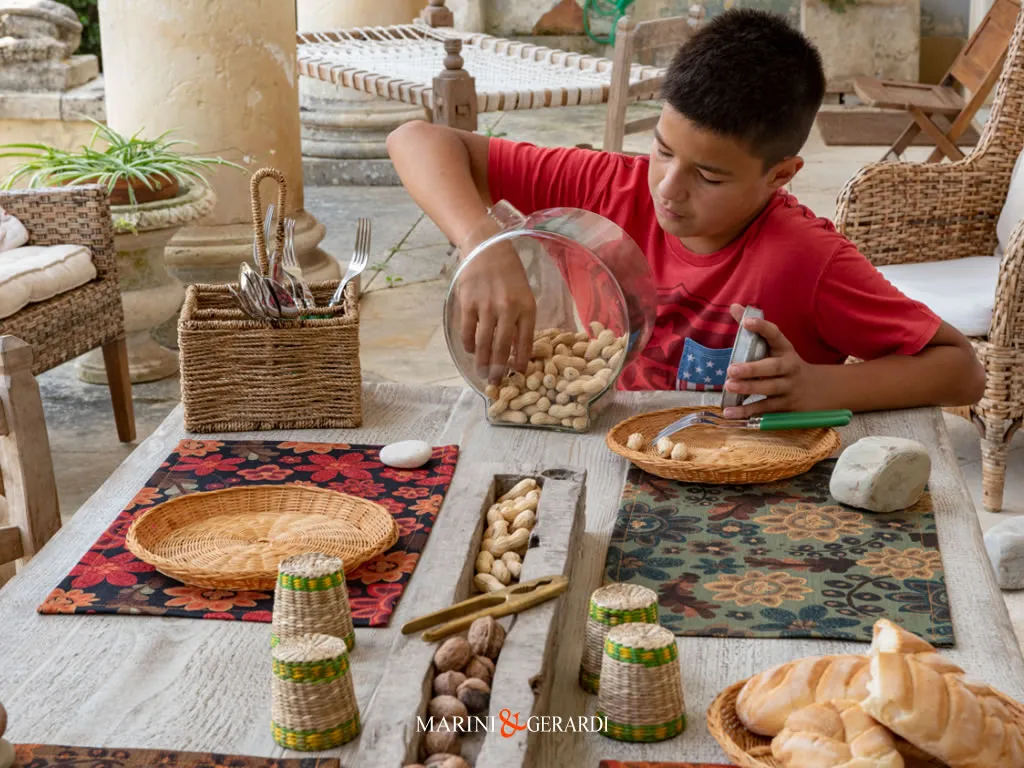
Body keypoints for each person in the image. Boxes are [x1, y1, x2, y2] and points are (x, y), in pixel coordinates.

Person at [386, 8, 984, 419]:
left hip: (746, 487)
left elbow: (961, 370)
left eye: (710, 175)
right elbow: (418, 139)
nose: (669, 189)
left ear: (780, 175)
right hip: (608, 456)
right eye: (664, 151)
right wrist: (480, 242)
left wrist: (818, 386)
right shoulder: (610, 186)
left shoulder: (806, 258)